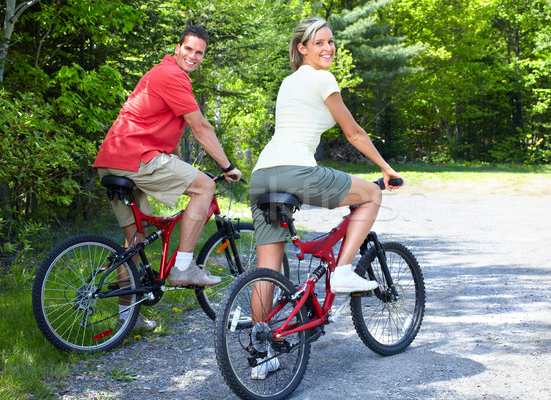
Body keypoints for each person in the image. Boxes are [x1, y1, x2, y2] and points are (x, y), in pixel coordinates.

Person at [248, 17, 402, 379]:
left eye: (331, 42)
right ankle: (343, 271)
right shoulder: (322, 78)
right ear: (302, 48)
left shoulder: (289, 82)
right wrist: (386, 169)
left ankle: (261, 354)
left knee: (267, 269)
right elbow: (354, 132)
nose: (328, 49)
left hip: (261, 176)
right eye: (319, 43)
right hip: (294, 170)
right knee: (370, 196)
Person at [93, 25, 242, 331]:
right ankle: (184, 268)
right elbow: (201, 128)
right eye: (189, 49)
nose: (193, 56)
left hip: (112, 159)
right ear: (177, 48)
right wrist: (227, 166)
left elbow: (152, 121)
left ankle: (126, 319)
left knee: (135, 240)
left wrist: (170, 155)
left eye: (199, 52)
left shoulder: (160, 73)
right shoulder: (173, 75)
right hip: (135, 157)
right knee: (205, 186)